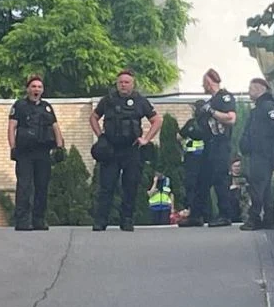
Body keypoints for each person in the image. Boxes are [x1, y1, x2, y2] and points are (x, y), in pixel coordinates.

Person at [90, 70, 160, 232]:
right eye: (120, 82)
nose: (123, 85)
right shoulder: (108, 100)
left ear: (132, 84)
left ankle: (127, 220)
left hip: (132, 149)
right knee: (106, 186)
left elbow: (156, 120)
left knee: (131, 186)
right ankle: (101, 221)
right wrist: (100, 136)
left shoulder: (140, 101)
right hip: (111, 150)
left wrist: (146, 139)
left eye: (126, 82)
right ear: (116, 83)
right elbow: (93, 117)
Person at [8, 75, 65, 232]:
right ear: (28, 89)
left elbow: (55, 127)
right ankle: (22, 221)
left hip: (43, 152)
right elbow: (12, 127)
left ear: (43, 90)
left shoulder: (46, 107)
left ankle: (39, 220)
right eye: (33, 86)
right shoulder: (19, 106)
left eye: (39, 87)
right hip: (25, 152)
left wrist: (60, 146)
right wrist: (12, 147)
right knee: (24, 186)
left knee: (42, 187)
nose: (36, 89)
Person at [182, 69, 236, 228]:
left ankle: (225, 215)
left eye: (204, 82)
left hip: (221, 144)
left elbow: (231, 119)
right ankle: (197, 215)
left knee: (220, 179)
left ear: (209, 82)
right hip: (209, 144)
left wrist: (211, 112)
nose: (202, 85)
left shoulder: (225, 98)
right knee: (202, 180)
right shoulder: (210, 101)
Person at [239, 77, 274, 231]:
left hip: (264, 154)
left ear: (260, 89)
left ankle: (254, 219)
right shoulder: (259, 109)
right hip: (259, 154)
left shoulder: (267, 108)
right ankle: (269, 218)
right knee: (264, 188)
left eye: (251, 88)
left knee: (257, 187)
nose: (248, 91)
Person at [176, 102, 210, 226]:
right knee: (203, 187)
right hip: (205, 160)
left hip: (193, 160)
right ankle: (205, 214)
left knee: (192, 187)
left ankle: (195, 214)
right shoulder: (209, 123)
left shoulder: (192, 123)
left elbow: (179, 137)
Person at [228, 159, 248, 224]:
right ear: (231, 167)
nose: (237, 168)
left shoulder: (246, 177)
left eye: (238, 166)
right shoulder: (228, 178)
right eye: (235, 166)